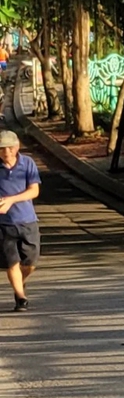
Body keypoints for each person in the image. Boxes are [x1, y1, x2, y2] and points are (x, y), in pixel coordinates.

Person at [0, 131, 40, 312]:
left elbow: (34, 191)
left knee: (30, 262)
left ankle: (20, 284)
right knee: (12, 261)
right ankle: (21, 298)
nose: (6, 151)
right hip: (3, 224)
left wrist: (11, 200)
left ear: (17, 147)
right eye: (1, 148)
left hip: (27, 220)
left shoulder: (27, 163)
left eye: (9, 147)